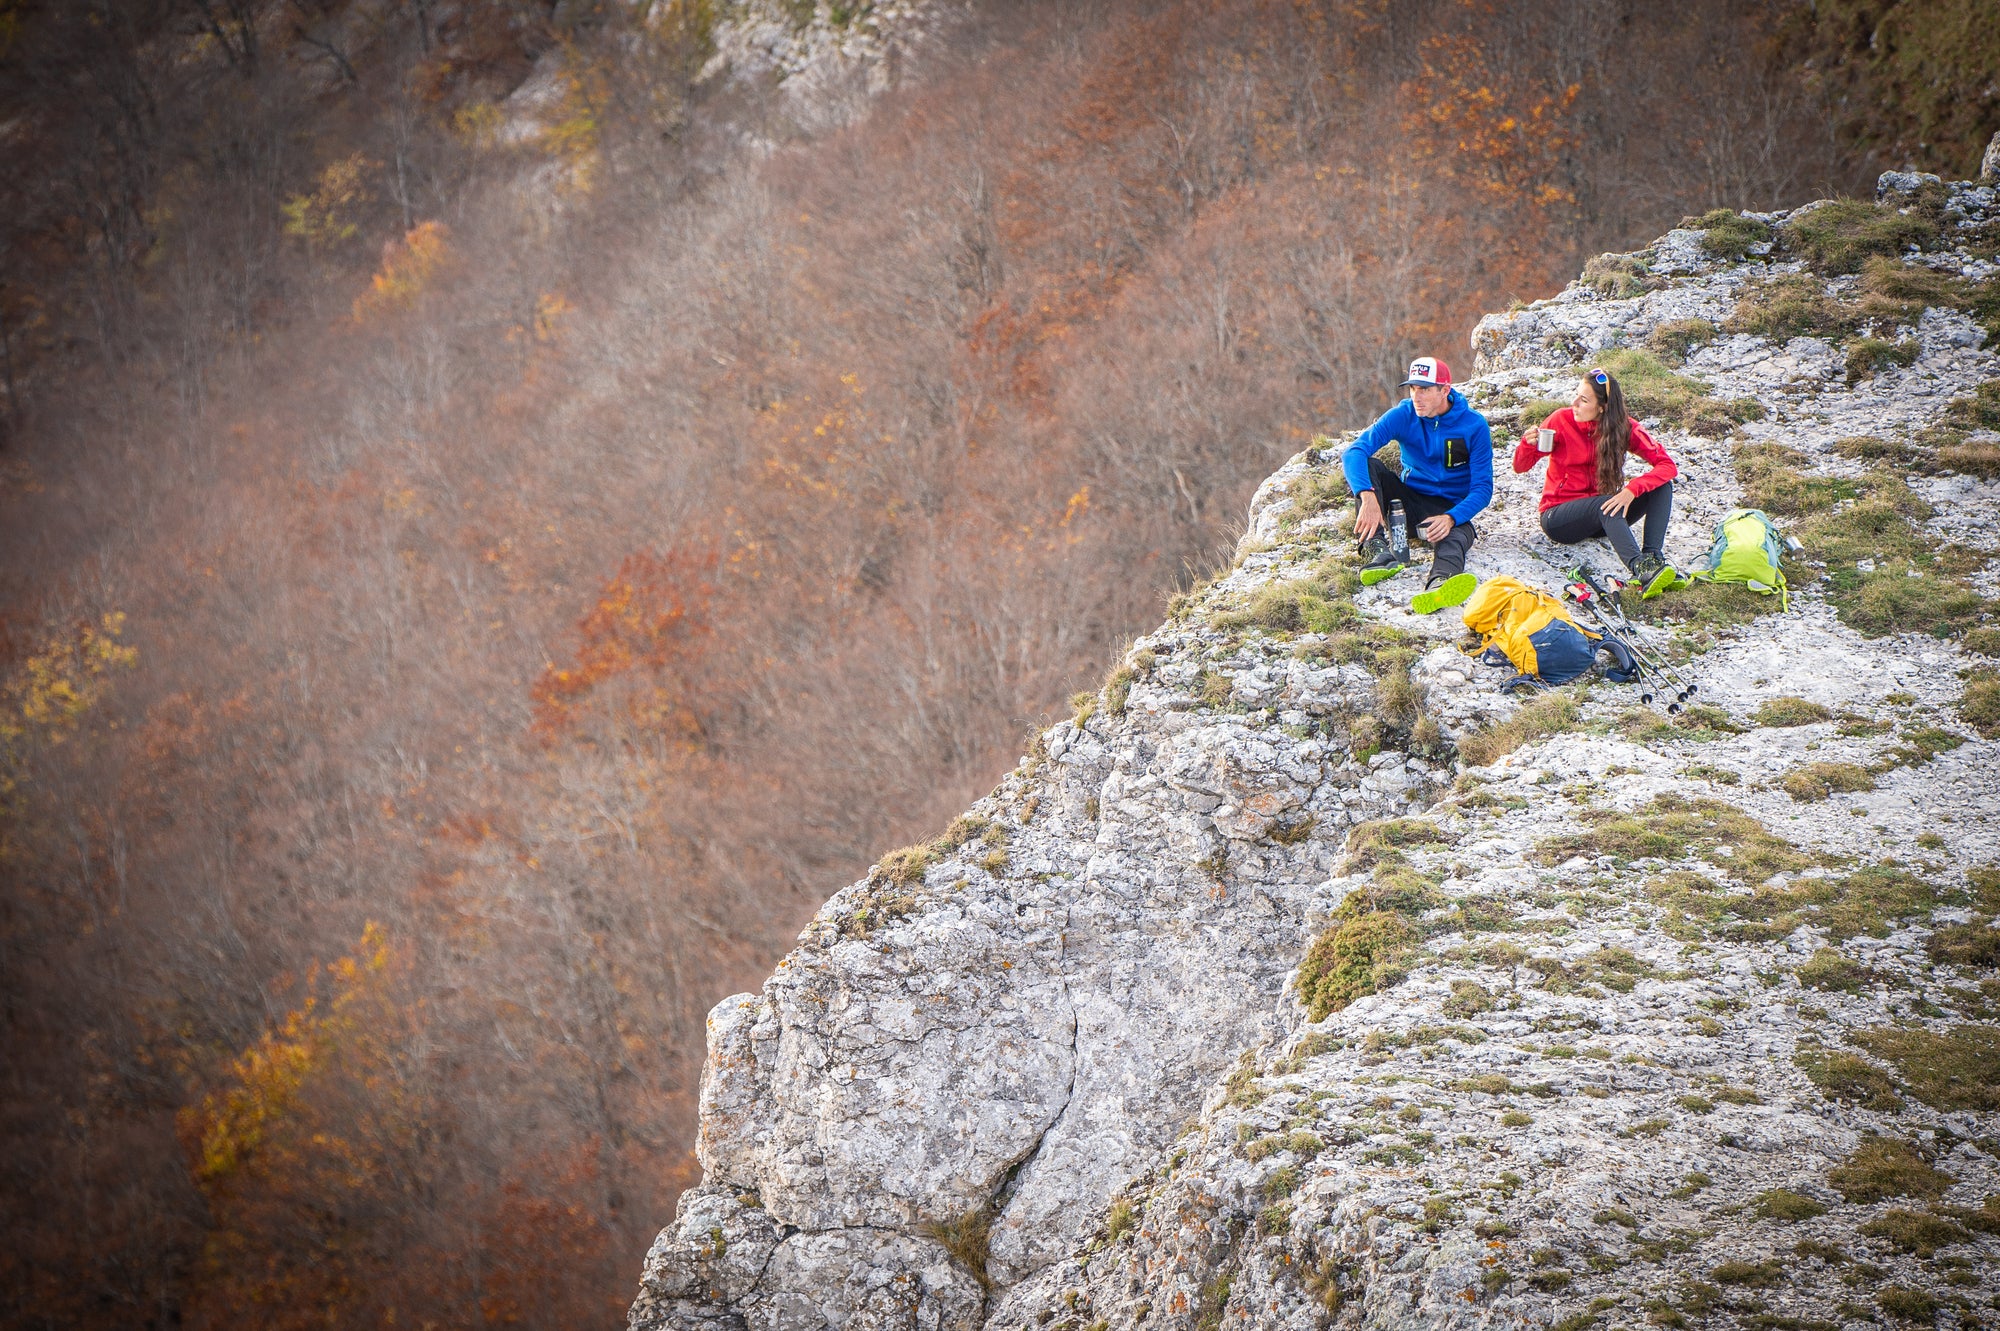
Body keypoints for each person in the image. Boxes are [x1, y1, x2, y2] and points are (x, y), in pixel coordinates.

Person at [1341, 356, 1493, 615]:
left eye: (1424, 389)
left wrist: (1451, 517)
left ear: (1445, 390)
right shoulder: (1403, 415)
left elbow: (1482, 489)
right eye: (1412, 388)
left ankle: (1439, 583)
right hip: (1407, 503)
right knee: (1369, 465)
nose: (1416, 396)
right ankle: (1377, 552)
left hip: (1447, 511)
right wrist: (1367, 497)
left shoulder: (1473, 425)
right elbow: (1354, 452)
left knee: (1457, 536)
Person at [1515, 366, 1679, 596]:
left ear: (1602, 408)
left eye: (1583, 400)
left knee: (1662, 486)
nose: (1574, 403)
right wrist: (1527, 445)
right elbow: (1520, 467)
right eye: (1576, 395)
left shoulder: (1625, 427)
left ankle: (1652, 559)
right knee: (1605, 504)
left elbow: (1667, 466)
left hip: (1602, 519)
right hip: (1559, 518)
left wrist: (1632, 489)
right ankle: (1639, 568)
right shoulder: (1560, 420)